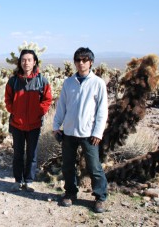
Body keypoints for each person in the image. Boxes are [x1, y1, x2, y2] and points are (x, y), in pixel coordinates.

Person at [53, 47, 108, 213]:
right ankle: (70, 193)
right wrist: (56, 126)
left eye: (85, 60)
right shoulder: (69, 82)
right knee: (68, 166)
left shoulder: (97, 83)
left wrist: (98, 132)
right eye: (78, 60)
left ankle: (100, 197)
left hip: (89, 134)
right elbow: (61, 106)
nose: (81, 63)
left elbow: (102, 110)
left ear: (91, 62)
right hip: (68, 132)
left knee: (94, 167)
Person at [5, 49, 52, 192]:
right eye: (23, 60)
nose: (26, 63)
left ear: (34, 62)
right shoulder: (13, 81)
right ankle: (18, 180)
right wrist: (15, 112)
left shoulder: (41, 81)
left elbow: (47, 99)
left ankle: (29, 181)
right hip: (17, 124)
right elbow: (8, 100)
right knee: (18, 154)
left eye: (29, 60)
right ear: (20, 62)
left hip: (34, 124)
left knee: (32, 154)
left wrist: (39, 112)